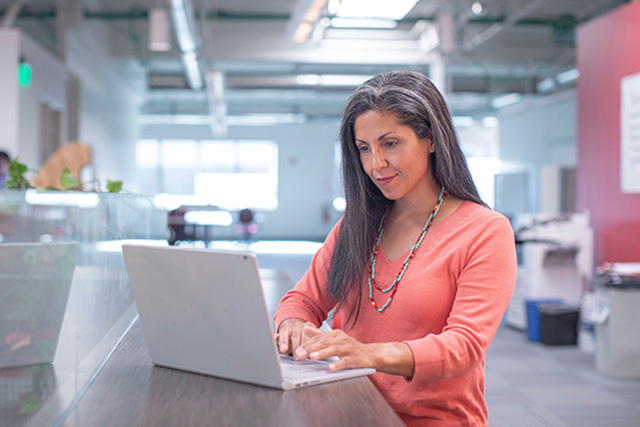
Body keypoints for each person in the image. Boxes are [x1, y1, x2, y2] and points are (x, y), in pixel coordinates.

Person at [274, 71, 517, 427]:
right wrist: (292, 323)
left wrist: (368, 354)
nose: (375, 164)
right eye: (364, 148)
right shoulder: (357, 225)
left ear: (431, 139)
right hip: (347, 408)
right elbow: (302, 300)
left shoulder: (484, 231)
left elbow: (463, 347)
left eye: (390, 144)